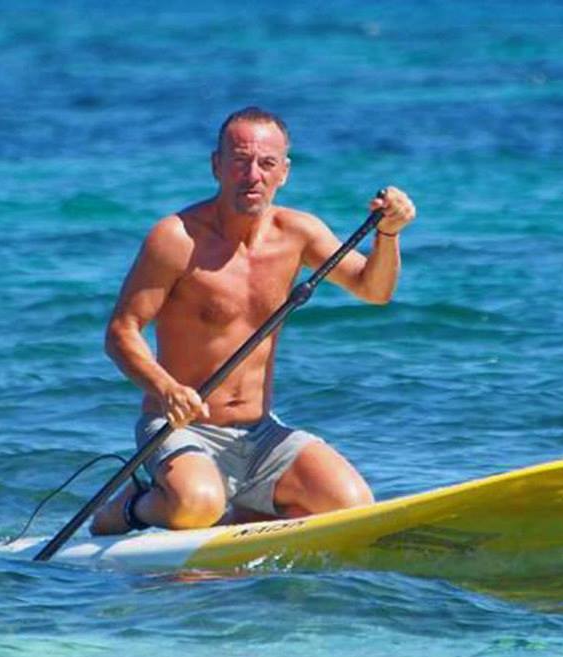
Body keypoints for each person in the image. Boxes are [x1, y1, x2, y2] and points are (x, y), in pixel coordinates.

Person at [90, 107, 416, 535]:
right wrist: (166, 388)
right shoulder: (176, 238)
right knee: (195, 506)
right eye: (240, 161)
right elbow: (121, 331)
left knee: (350, 504)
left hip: (260, 433)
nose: (253, 175)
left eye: (266, 163)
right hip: (182, 427)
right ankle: (130, 507)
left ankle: (229, 515)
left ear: (284, 172)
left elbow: (374, 290)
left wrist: (388, 234)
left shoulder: (298, 232)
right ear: (217, 166)